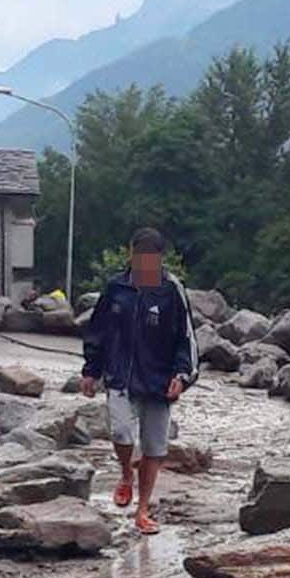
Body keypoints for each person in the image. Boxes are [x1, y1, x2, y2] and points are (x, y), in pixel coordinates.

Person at [78, 228, 198, 535]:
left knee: (155, 448)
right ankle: (125, 474)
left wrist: (182, 376)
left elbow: (187, 339)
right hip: (120, 375)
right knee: (120, 431)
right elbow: (98, 331)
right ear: (130, 254)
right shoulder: (116, 287)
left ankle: (143, 510)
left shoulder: (172, 290)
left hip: (159, 379)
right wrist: (91, 370)